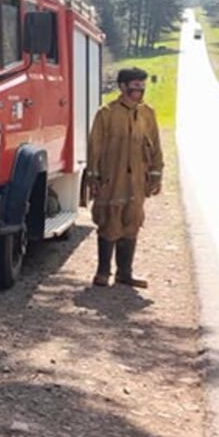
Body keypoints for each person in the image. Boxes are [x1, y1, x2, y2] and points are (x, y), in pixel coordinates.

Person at [86, 67, 163, 288]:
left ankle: (125, 273)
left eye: (142, 85)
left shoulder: (148, 113)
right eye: (135, 85)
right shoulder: (106, 113)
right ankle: (102, 272)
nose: (140, 90)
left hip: (137, 180)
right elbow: (95, 147)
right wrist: (93, 177)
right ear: (122, 86)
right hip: (111, 178)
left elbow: (155, 146)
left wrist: (156, 175)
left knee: (132, 221)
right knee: (109, 220)